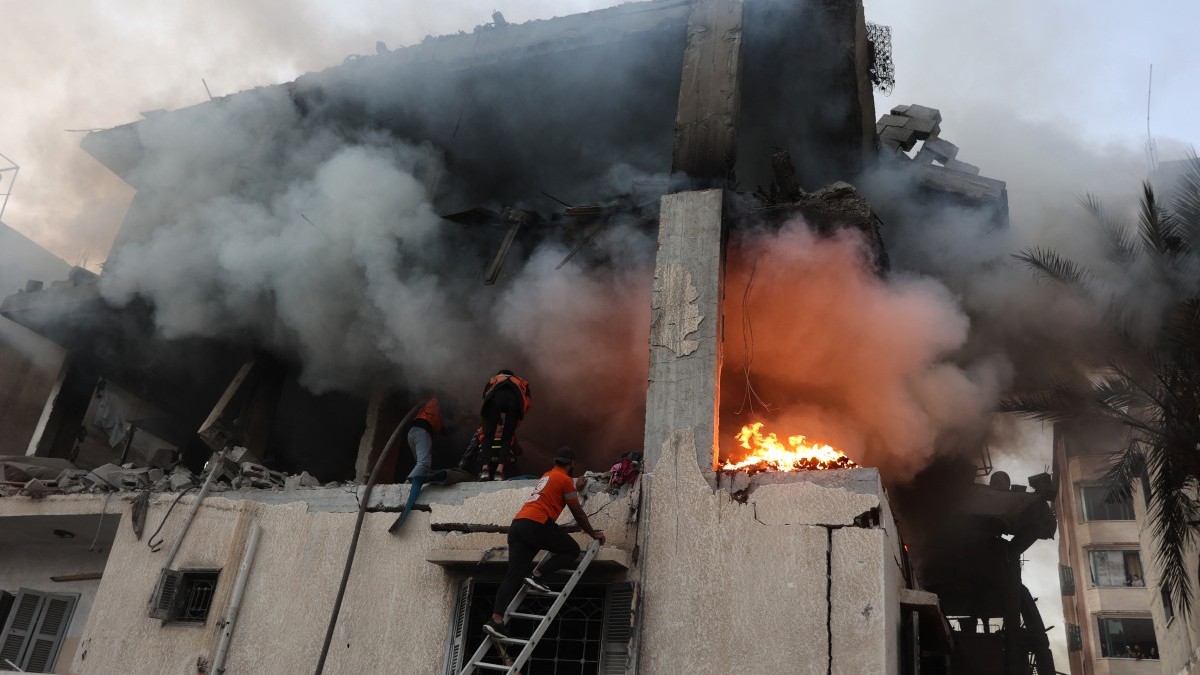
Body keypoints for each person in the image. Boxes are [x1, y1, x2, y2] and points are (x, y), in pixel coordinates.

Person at [483, 447, 604, 639]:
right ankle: (538, 575)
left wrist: (575, 487)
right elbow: (577, 512)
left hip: (518, 525)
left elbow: (559, 491)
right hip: (537, 523)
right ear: (571, 463)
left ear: (557, 461)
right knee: (571, 550)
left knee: (512, 575)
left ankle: (496, 620)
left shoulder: (548, 475)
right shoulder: (564, 480)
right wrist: (592, 533)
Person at [477, 370, 531, 480]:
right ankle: (499, 472)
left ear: (500, 374)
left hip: (495, 398)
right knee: (507, 437)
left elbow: (485, 401)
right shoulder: (520, 382)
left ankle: (485, 470)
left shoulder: (494, 380)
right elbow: (527, 402)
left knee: (488, 435)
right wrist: (518, 418)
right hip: (514, 400)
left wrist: (485, 424)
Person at [406, 396, 442, 481]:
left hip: (412, 432)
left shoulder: (430, 409)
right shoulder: (437, 404)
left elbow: (444, 430)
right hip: (422, 431)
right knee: (424, 464)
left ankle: (416, 486)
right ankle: (407, 485)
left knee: (422, 467)